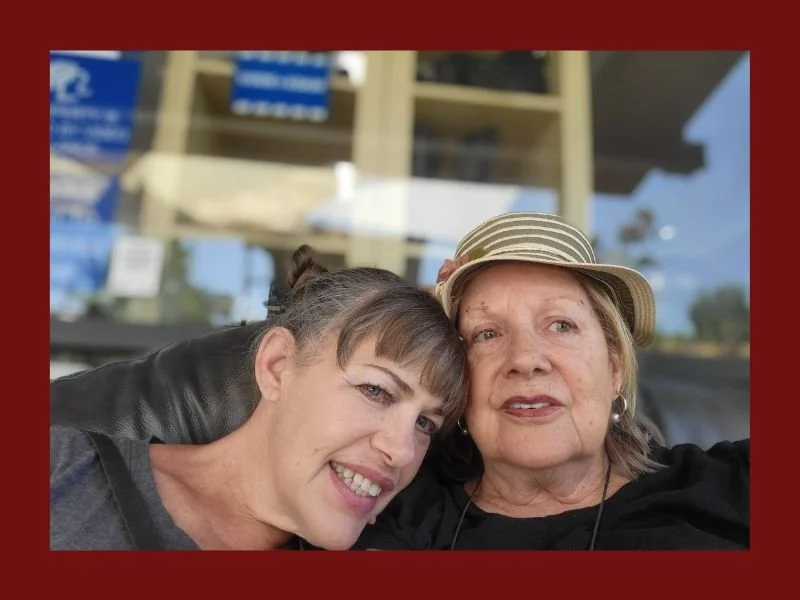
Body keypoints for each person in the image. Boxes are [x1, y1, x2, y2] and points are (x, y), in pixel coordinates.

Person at [355, 212, 749, 550]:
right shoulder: (394, 512)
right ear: (457, 383)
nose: (525, 360)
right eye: (486, 334)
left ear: (614, 370)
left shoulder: (734, 486)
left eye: (561, 325)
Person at [50, 245, 469, 551]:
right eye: (376, 390)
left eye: (425, 424)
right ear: (276, 365)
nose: (401, 451)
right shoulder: (65, 468)